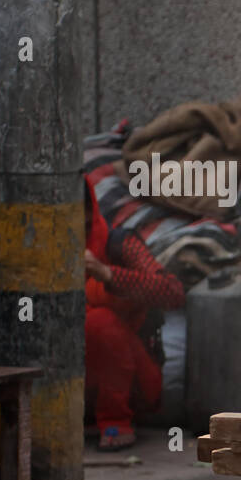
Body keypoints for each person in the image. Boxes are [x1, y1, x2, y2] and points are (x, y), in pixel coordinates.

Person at [83, 185, 185, 450]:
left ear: (85, 211)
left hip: (136, 383)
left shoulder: (117, 244)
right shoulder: (37, 254)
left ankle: (116, 422)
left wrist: (106, 274)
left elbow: (172, 293)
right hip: (76, 383)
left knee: (98, 321)